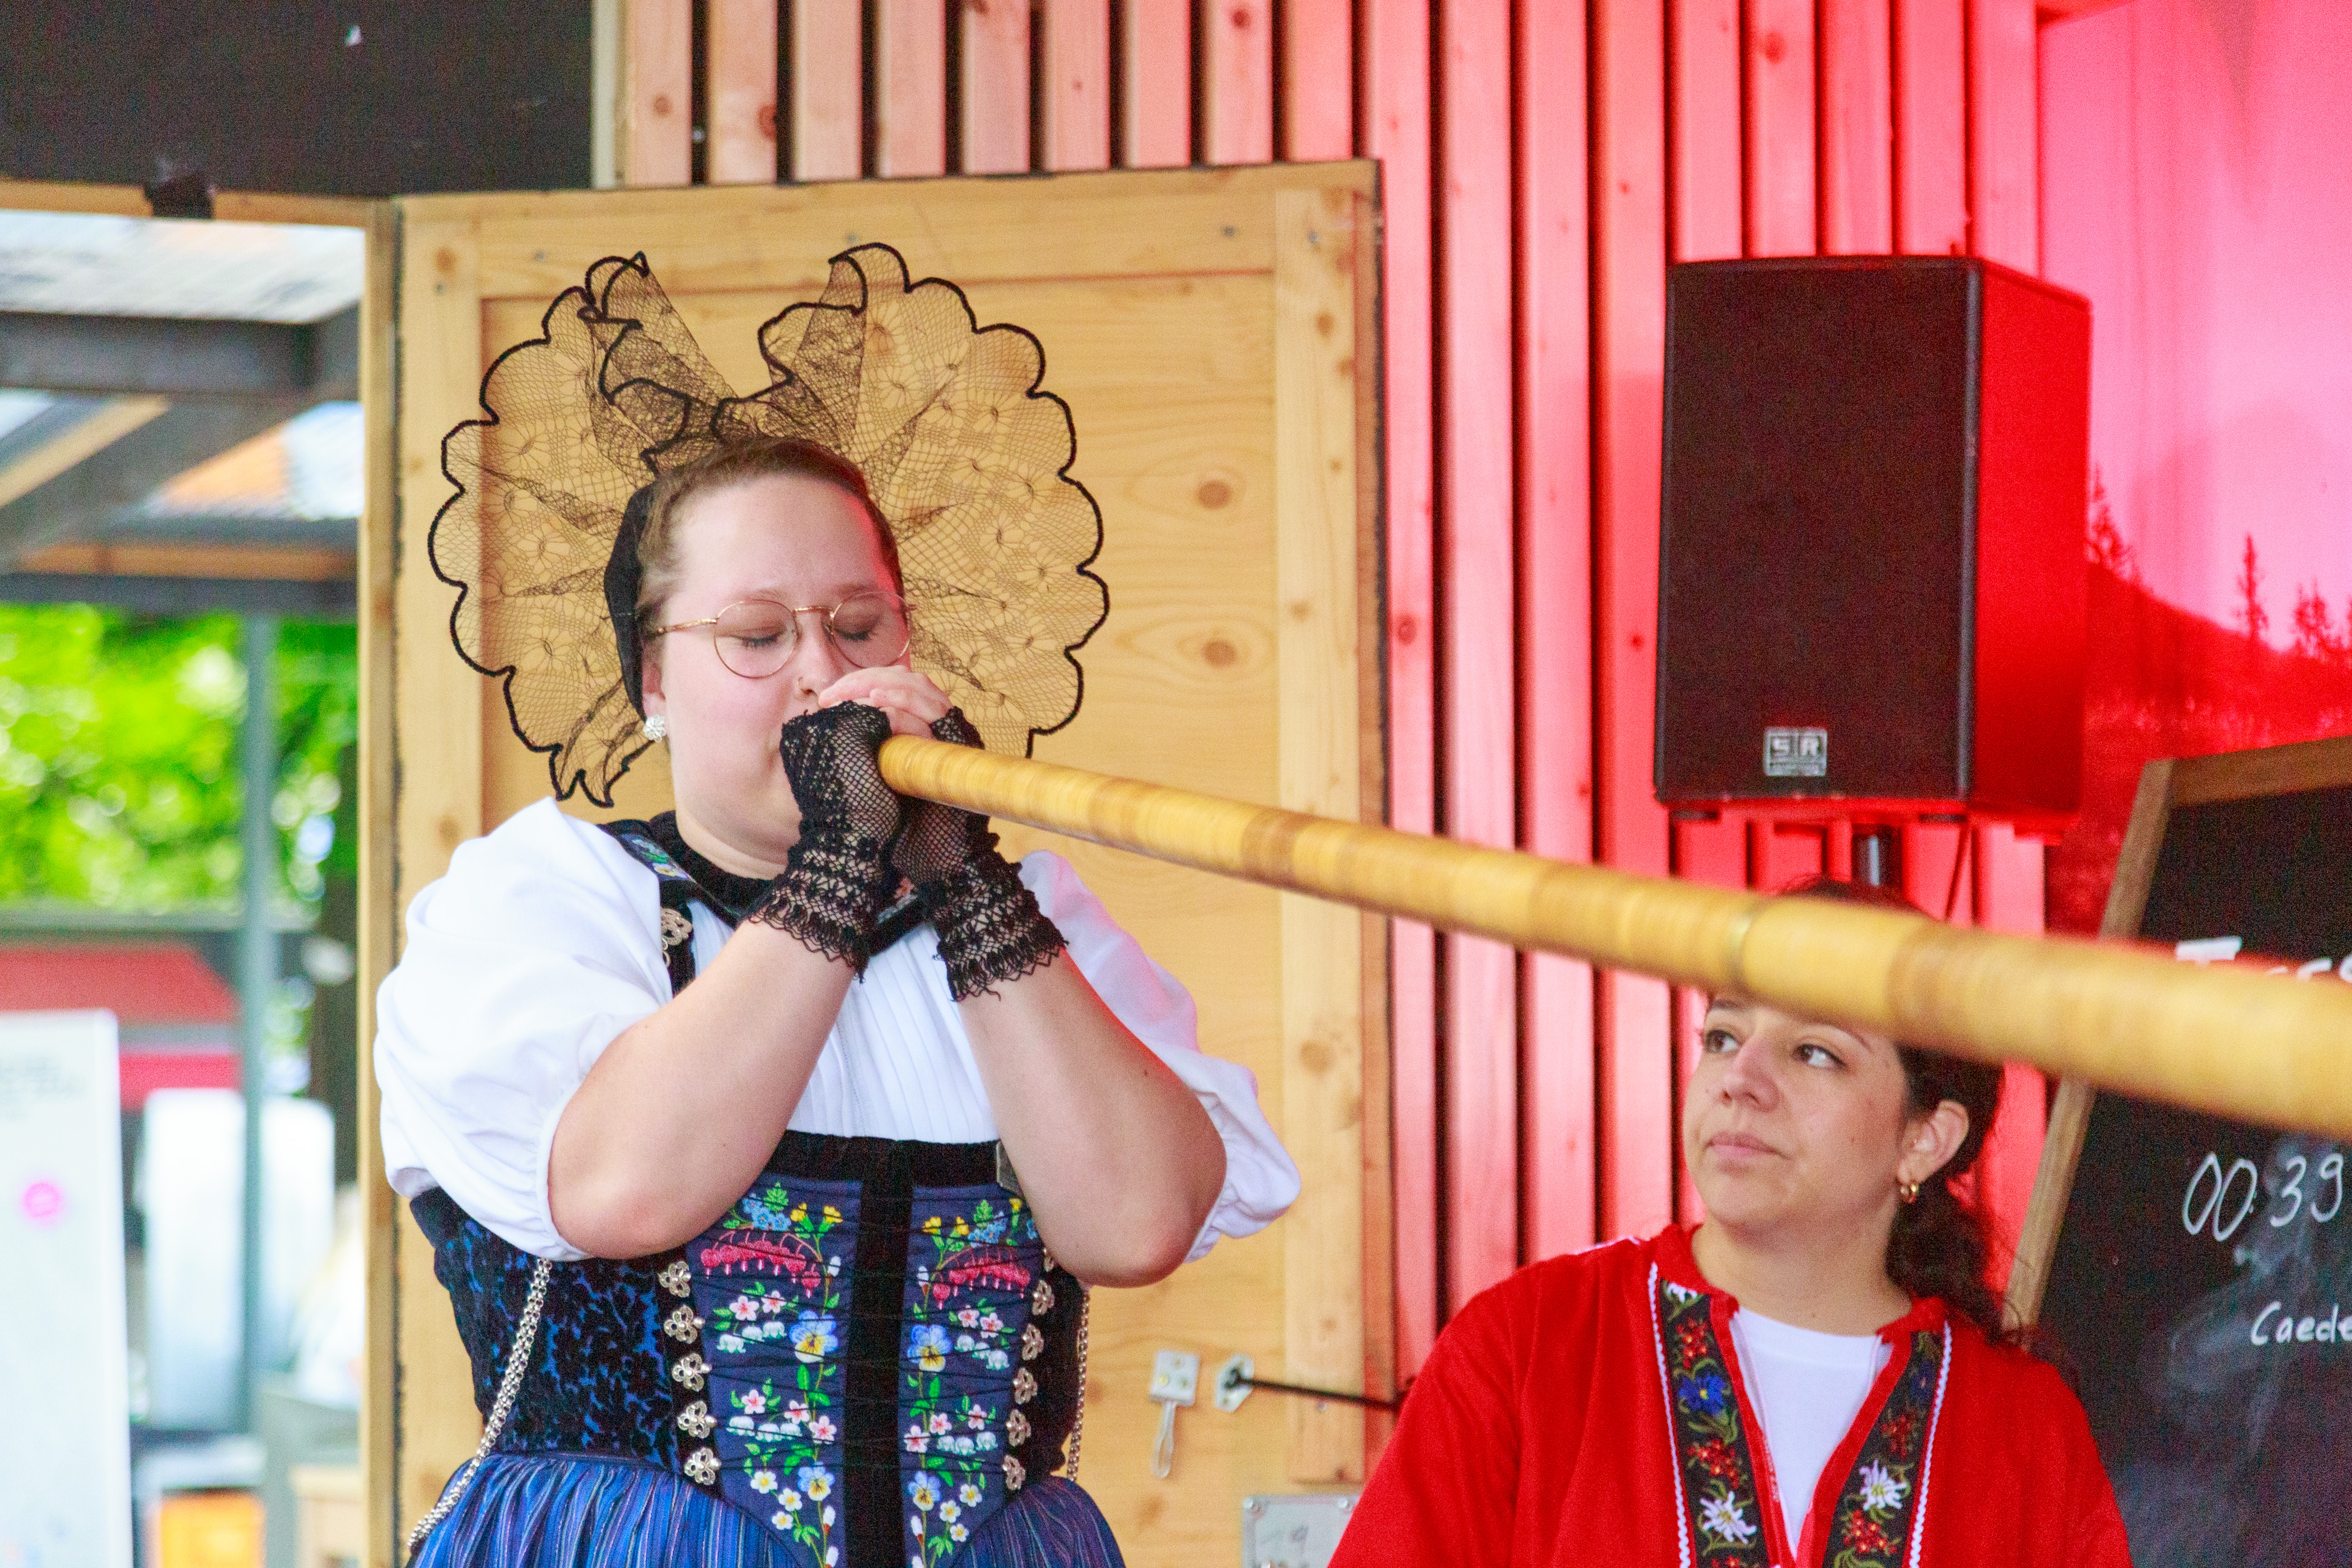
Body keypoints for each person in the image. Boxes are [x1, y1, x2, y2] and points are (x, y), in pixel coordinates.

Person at [377, 249, 1299, 1568]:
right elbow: (625, 1184)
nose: (821, 673)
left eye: (861, 625)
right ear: (653, 679)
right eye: (756, 636)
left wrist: (962, 875)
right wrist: (832, 866)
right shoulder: (546, 904)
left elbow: (1136, 1221)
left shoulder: (1023, 923)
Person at [1331, 878, 2131, 1567]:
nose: (1740, 1079)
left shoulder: (2023, 1429)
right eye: (1723, 1037)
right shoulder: (1531, 1346)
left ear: (1925, 1138)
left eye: (1814, 1052)